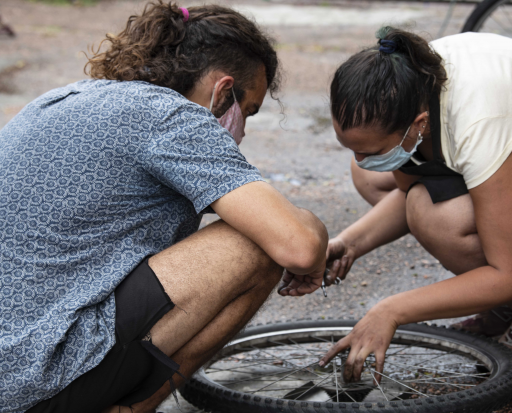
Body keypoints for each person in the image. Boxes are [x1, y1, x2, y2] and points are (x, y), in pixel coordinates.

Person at [0, 2, 328, 412]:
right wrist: (313, 225)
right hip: (33, 381)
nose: (242, 126)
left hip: (12, 365)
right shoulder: (174, 119)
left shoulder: (68, 98)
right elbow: (296, 246)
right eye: (248, 110)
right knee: (256, 246)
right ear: (223, 89)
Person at [299, 28, 512, 381]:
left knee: (441, 220)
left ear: (418, 125)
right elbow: (407, 195)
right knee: (377, 179)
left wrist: (390, 310)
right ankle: (510, 305)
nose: (359, 159)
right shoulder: (409, 82)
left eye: (369, 151)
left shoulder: (476, 122)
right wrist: (350, 243)